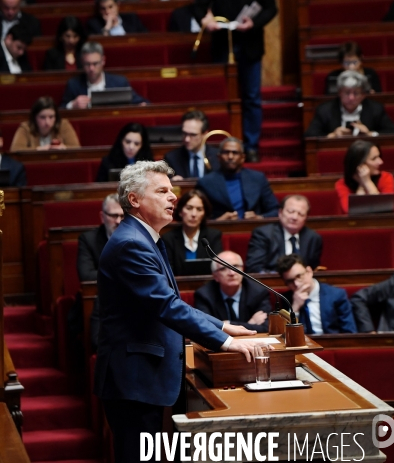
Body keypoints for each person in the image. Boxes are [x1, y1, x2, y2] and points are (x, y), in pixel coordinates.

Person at [93, 160, 258, 463]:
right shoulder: (131, 244)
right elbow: (166, 305)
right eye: (162, 191)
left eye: (172, 191)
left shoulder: (146, 239)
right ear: (134, 199)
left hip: (143, 379)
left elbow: (169, 301)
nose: (173, 197)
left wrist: (222, 326)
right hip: (135, 381)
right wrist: (227, 342)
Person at [194, 0, 278, 162]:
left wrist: (255, 23)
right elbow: (200, 7)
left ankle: (251, 146)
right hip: (223, 44)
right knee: (224, 97)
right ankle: (224, 145)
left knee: (251, 97)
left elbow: (271, 8)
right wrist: (207, 20)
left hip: (250, 42)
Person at [196, 137, 279, 220]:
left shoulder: (258, 178)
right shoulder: (206, 182)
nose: (230, 156)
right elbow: (197, 215)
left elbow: (275, 210)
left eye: (235, 153)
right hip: (219, 231)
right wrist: (218, 221)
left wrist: (259, 217)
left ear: (243, 158)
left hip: (254, 230)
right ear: (219, 157)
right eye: (226, 152)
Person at [277, 254, 357, 334]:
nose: (297, 284)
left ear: (309, 271)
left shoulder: (336, 295)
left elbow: (350, 332)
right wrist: (295, 308)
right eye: (290, 281)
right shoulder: (285, 299)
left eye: (299, 276)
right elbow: (283, 336)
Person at [305, 70, 394, 138]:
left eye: (356, 93)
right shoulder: (325, 110)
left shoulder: (375, 109)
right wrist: (332, 135)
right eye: (347, 93)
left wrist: (370, 134)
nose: (351, 98)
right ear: (339, 93)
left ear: (363, 95)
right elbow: (309, 135)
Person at [194, 250, 270, 333]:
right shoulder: (204, 295)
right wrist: (249, 324)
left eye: (235, 266)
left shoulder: (258, 292)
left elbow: (266, 327)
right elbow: (204, 327)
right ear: (215, 276)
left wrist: (227, 324)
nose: (232, 273)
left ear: (242, 269)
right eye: (223, 268)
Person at [246, 195, 323, 273]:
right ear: (280, 213)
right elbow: (254, 268)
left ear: (306, 217)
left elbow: (313, 269)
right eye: (290, 212)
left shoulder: (313, 238)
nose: (295, 217)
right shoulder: (263, 234)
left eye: (301, 214)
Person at [60, 41, 148, 109]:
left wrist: (142, 105)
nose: (91, 68)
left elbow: (141, 102)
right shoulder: (74, 84)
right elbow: (60, 110)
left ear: (103, 61)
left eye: (95, 64)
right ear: (82, 62)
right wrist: (72, 105)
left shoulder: (119, 83)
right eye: (87, 64)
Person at [162, 189, 223, 275]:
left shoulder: (213, 236)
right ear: (180, 211)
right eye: (189, 208)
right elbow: (168, 272)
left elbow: (218, 268)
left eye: (199, 209)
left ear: (204, 213)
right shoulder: (168, 239)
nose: (194, 214)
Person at [335, 140, 394, 214]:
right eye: (374, 159)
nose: (381, 162)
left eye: (379, 156)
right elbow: (350, 211)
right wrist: (361, 185)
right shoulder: (342, 184)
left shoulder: (386, 177)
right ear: (359, 165)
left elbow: (384, 208)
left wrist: (367, 181)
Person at [77, 194, 124, 282]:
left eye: (123, 216)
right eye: (113, 216)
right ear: (102, 217)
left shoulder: (140, 238)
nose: (118, 221)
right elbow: (86, 276)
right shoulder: (88, 240)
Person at [10, 96, 80, 151]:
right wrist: (39, 149)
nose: (47, 122)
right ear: (35, 117)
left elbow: (77, 148)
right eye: (42, 117)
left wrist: (63, 148)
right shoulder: (26, 127)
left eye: (51, 117)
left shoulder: (63, 125)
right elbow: (15, 150)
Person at [164, 109, 219, 180]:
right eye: (185, 133)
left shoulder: (217, 157)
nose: (187, 139)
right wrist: (173, 183)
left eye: (193, 135)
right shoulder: (171, 158)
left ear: (205, 134)